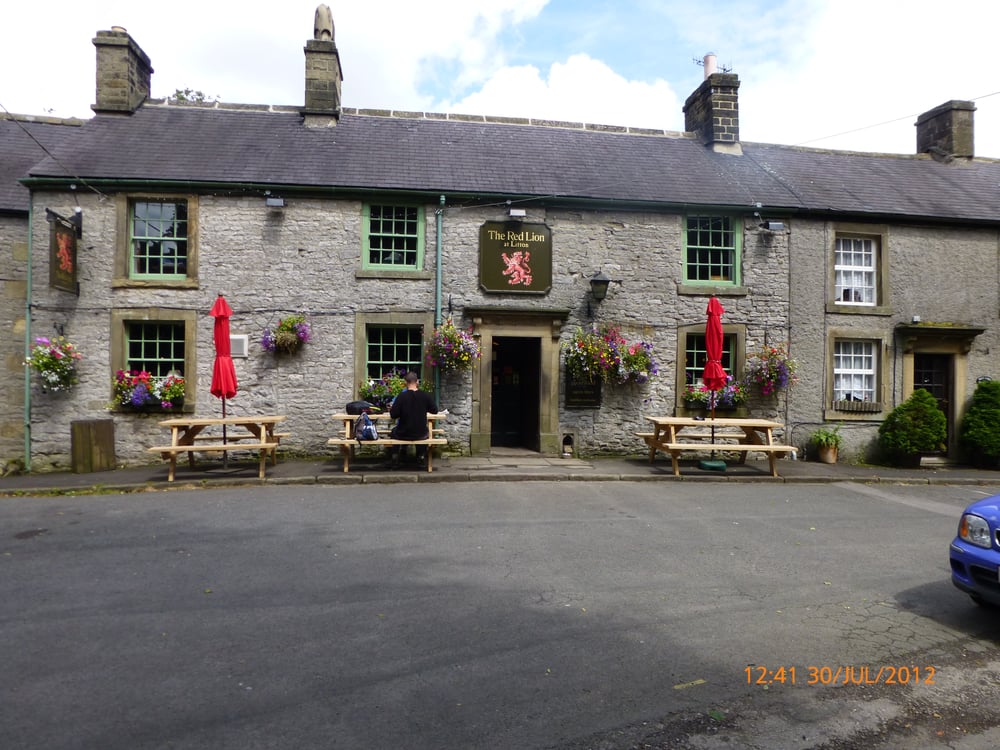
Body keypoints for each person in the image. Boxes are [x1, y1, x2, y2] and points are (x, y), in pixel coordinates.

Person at [388, 371, 439, 466]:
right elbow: (435, 410)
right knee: (425, 431)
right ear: (417, 382)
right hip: (421, 434)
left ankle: (395, 455)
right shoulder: (425, 396)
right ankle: (421, 455)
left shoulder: (401, 396)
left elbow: (393, 415)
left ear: (405, 383)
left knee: (393, 431)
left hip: (403, 433)